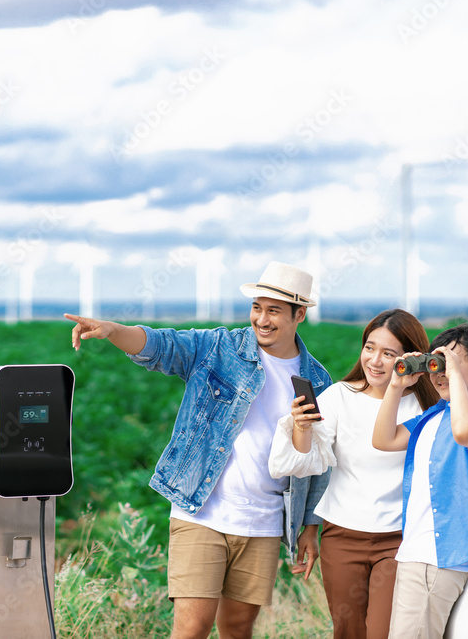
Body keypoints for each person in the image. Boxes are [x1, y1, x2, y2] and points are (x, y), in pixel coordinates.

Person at [64, 261, 332, 639]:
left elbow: (318, 463)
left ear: (299, 314)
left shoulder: (316, 379)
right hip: (201, 511)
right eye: (257, 307)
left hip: (266, 521)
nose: (262, 319)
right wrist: (113, 331)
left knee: (238, 628)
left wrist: (309, 526)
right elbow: (162, 345)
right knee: (192, 627)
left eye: (274, 310)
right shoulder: (219, 348)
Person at [268, 311, 468, 639]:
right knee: (348, 631)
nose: (376, 360)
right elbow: (317, 462)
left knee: (386, 632)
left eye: (390, 354)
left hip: (401, 539)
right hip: (348, 534)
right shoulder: (348, 398)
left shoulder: (443, 409)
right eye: (369, 347)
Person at [371, 323, 468, 639]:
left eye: (450, 364)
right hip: (418, 549)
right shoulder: (435, 414)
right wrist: (395, 387)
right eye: (437, 365)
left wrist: (455, 377)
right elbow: (383, 439)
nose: (441, 373)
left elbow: (465, 433)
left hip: (440, 553)